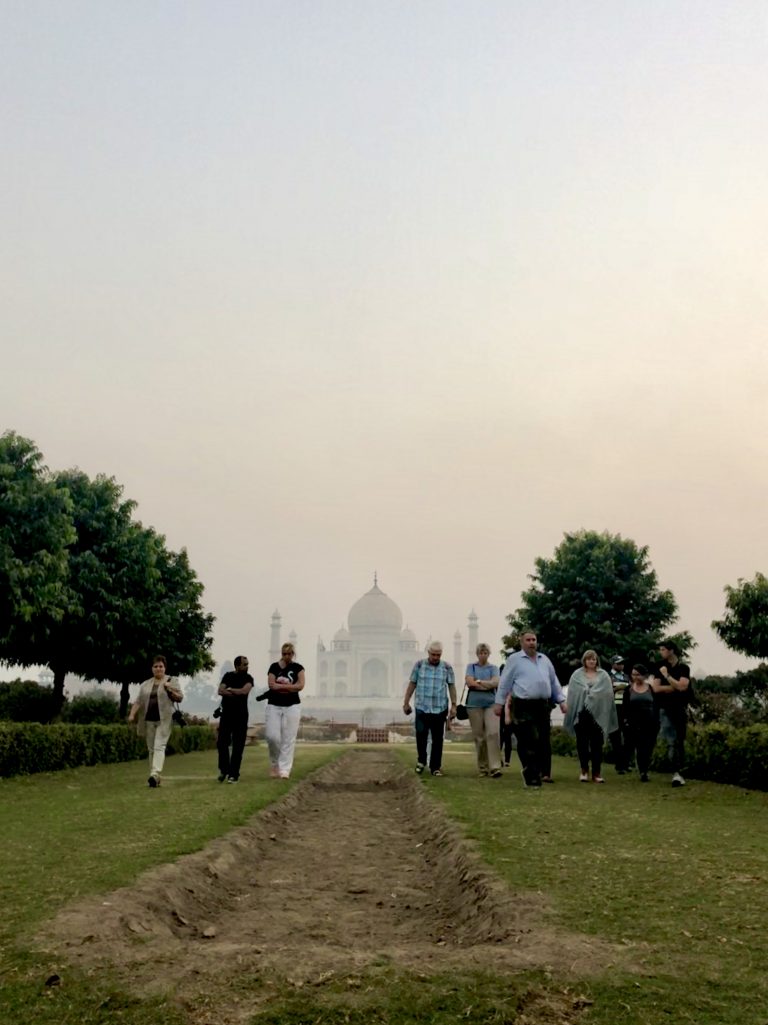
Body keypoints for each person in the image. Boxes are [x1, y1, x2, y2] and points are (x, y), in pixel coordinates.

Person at [495, 630, 566, 790]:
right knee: (528, 740)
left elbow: (554, 681)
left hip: (542, 705)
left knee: (542, 740)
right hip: (523, 705)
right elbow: (505, 683)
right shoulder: (514, 660)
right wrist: (499, 703)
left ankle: (537, 771)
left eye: (534, 639)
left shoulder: (544, 660)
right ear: (522, 642)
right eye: (528, 640)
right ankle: (531, 775)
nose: (531, 642)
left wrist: (561, 700)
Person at [127, 655, 183, 788]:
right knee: (151, 749)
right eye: (156, 666)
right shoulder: (145, 684)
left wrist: (169, 688)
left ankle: (155, 773)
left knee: (159, 746)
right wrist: (131, 714)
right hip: (148, 720)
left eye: (161, 666)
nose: (158, 669)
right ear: (152, 668)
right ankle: (155, 777)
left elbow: (180, 698)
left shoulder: (171, 680)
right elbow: (138, 701)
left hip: (164, 720)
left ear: (165, 668)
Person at [563, 650, 618, 783]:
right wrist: (586, 692)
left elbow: (608, 693)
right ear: (584, 661)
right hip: (582, 714)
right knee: (582, 743)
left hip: (598, 715)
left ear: (596, 660)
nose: (591, 661)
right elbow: (573, 693)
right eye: (589, 659)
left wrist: (593, 694)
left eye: (593, 659)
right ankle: (584, 771)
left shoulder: (604, 675)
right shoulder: (577, 675)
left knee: (597, 744)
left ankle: (597, 773)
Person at [403, 641, 456, 777]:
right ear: (428, 653)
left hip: (440, 708)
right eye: (433, 655)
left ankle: (435, 767)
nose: (435, 657)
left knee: (438, 739)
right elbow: (412, 683)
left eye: (438, 655)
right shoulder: (419, 665)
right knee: (421, 736)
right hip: (422, 706)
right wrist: (406, 702)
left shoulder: (447, 667)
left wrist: (454, 706)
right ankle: (421, 761)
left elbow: (451, 686)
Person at [651, 640, 690, 787]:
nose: (661, 652)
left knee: (680, 741)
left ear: (671, 650)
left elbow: (683, 686)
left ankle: (680, 771)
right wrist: (675, 686)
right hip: (665, 709)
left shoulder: (683, 667)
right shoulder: (659, 667)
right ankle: (676, 773)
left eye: (663, 649)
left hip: (680, 708)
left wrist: (667, 677)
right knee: (671, 741)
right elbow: (656, 688)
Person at [266, 642, 305, 779]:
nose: (286, 656)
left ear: (293, 654)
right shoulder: (274, 667)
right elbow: (271, 685)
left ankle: (284, 770)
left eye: (289, 654)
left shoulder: (298, 668)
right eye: (284, 654)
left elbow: (300, 686)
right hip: (274, 705)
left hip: (292, 706)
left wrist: (281, 686)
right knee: (272, 736)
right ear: (281, 654)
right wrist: (290, 687)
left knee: (288, 738)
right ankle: (274, 764)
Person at [465, 643, 502, 778]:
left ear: (488, 654)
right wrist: (486, 685)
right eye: (481, 653)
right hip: (474, 705)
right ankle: (482, 767)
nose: (483, 655)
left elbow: (496, 683)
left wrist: (478, 682)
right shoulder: (471, 667)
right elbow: (469, 682)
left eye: (485, 652)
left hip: (491, 704)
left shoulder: (494, 668)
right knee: (479, 737)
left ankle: (495, 767)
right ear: (477, 654)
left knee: (492, 734)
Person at [217, 655, 254, 783]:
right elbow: (220, 691)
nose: (247, 666)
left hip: (241, 716)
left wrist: (230, 689)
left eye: (247, 664)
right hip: (226, 715)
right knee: (222, 743)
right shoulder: (228, 675)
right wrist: (234, 692)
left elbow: (244, 691)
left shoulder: (248, 678)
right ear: (237, 665)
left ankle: (234, 774)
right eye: (245, 664)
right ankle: (224, 769)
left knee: (238, 746)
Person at [622, 664, 659, 783]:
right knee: (638, 746)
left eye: (638, 674)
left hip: (650, 722)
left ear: (644, 675)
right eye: (633, 674)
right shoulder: (629, 689)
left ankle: (645, 768)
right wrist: (625, 721)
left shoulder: (651, 688)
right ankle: (643, 771)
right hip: (634, 722)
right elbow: (625, 707)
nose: (635, 677)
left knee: (648, 747)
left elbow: (656, 705)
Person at [609, 655, 631, 773]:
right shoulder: (607, 676)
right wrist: (616, 689)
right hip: (613, 709)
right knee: (616, 738)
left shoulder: (626, 676)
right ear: (613, 664)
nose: (621, 665)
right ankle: (619, 765)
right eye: (619, 663)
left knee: (628, 737)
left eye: (622, 663)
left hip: (626, 709)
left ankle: (626, 763)